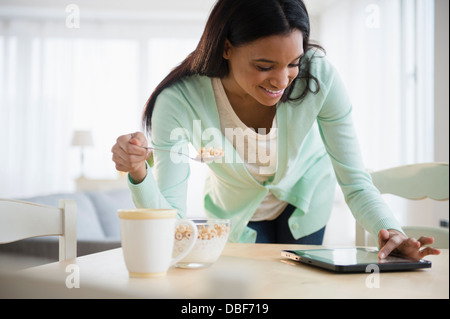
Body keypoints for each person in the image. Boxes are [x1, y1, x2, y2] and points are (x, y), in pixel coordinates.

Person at [111, 0, 440, 259]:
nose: (282, 81)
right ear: (226, 48)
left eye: (293, 63)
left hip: (306, 200)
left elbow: (355, 182)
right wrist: (139, 173)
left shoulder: (319, 77)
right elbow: (171, 218)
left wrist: (390, 230)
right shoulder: (180, 101)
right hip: (235, 212)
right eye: (264, 66)